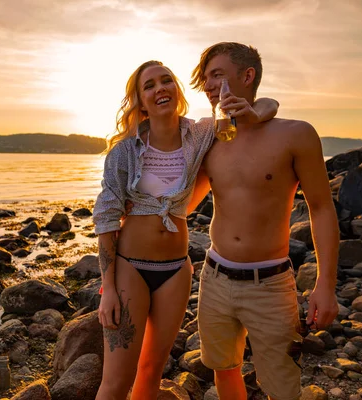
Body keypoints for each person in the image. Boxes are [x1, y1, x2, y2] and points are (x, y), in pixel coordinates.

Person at [92, 60, 279, 400]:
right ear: (141, 101)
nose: (160, 88)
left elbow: (267, 107)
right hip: (130, 268)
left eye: (166, 81)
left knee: (151, 372)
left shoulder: (201, 134)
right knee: (116, 382)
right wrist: (108, 287)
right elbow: (106, 219)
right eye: (149, 85)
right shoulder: (124, 151)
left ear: (176, 91)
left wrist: (251, 108)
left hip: (176, 271)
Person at [189, 42, 340, 400]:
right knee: (223, 369)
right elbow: (181, 202)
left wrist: (325, 285)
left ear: (248, 75)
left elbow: (321, 208)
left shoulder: (295, 134)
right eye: (205, 78)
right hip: (214, 278)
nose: (209, 85)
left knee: (283, 387)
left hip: (270, 285)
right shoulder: (208, 135)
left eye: (217, 75)